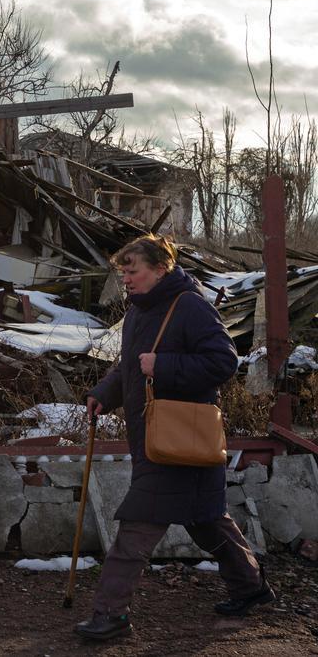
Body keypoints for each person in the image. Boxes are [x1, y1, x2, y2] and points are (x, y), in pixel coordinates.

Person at [74, 234, 275, 641]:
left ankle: (111, 615)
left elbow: (223, 362)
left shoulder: (191, 307)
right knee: (206, 521)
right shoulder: (139, 313)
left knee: (137, 526)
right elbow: (131, 367)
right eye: (123, 271)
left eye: (133, 270)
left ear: (161, 267)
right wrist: (104, 394)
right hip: (160, 440)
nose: (126, 279)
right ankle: (250, 587)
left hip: (178, 441)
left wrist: (162, 365)